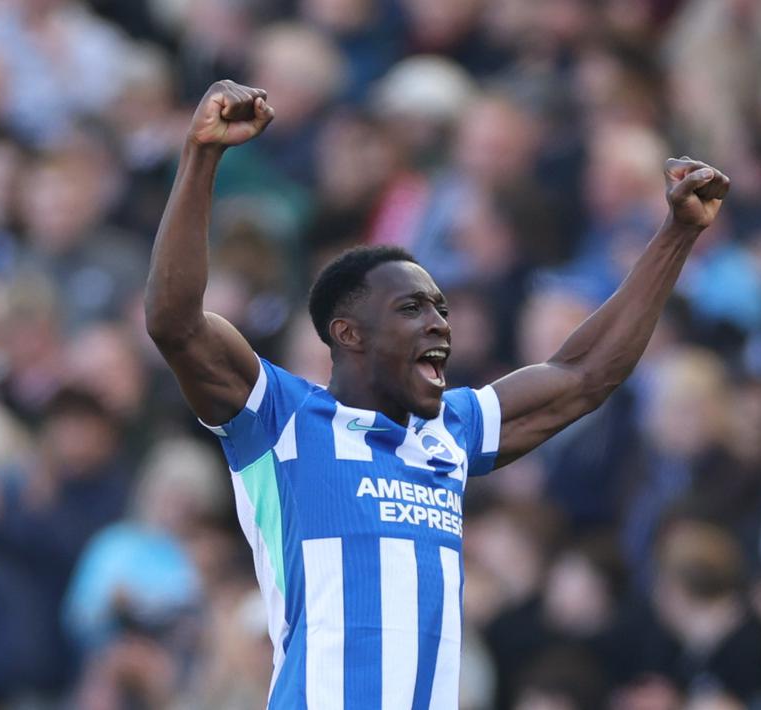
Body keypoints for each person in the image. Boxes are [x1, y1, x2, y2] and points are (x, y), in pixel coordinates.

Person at [145, 80, 730, 708]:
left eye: (441, 309)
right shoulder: (283, 419)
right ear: (349, 334)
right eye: (412, 308)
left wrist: (676, 234)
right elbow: (177, 324)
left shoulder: (450, 430)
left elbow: (585, 375)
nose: (439, 325)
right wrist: (201, 155)